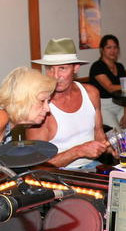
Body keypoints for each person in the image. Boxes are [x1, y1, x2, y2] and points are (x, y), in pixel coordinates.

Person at [26, 37, 109, 170]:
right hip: (58, 174)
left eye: (62, 68)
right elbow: (38, 167)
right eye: (50, 69)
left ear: (75, 68)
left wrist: (111, 146)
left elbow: (98, 133)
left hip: (92, 166)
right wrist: (78, 151)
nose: (55, 76)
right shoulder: (39, 108)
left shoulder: (91, 93)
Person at [88, 34, 126, 131]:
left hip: (121, 104)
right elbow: (110, 88)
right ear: (102, 50)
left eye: (115, 47)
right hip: (103, 106)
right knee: (118, 138)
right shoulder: (97, 66)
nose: (113, 51)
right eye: (109, 47)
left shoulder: (120, 67)